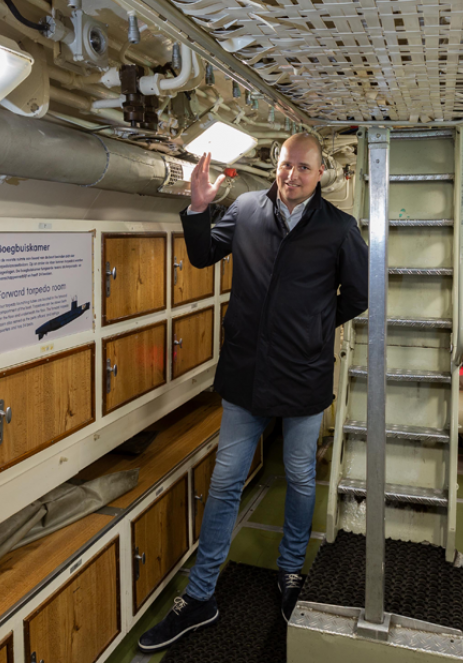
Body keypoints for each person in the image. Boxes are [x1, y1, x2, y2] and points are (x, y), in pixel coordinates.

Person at [138, 133, 369, 652]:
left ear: (320, 173)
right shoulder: (244, 209)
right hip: (246, 372)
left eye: (304, 169)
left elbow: (357, 293)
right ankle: (200, 596)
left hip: (303, 372)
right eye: (286, 165)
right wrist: (197, 208)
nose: (292, 176)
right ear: (276, 165)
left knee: (300, 477)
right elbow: (202, 256)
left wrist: (315, 324)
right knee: (225, 482)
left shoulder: (337, 228)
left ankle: (290, 572)